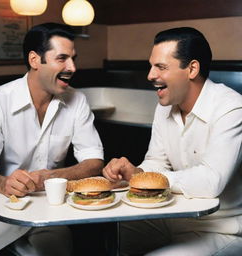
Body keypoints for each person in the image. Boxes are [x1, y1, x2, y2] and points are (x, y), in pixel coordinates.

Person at [103, 27, 242, 255]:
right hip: (172, 218)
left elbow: (210, 182)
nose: (150, 75)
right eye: (151, 65)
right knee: (116, 227)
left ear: (192, 69)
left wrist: (144, 178)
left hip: (220, 229)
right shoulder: (164, 107)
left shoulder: (231, 108)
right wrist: (134, 171)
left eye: (161, 67)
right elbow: (156, 162)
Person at [0, 22, 104, 256]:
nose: (72, 67)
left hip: (51, 209)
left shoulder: (78, 100)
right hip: (1, 207)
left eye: (73, 58)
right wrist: (4, 183)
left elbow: (94, 162)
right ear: (34, 60)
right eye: (62, 58)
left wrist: (50, 177)